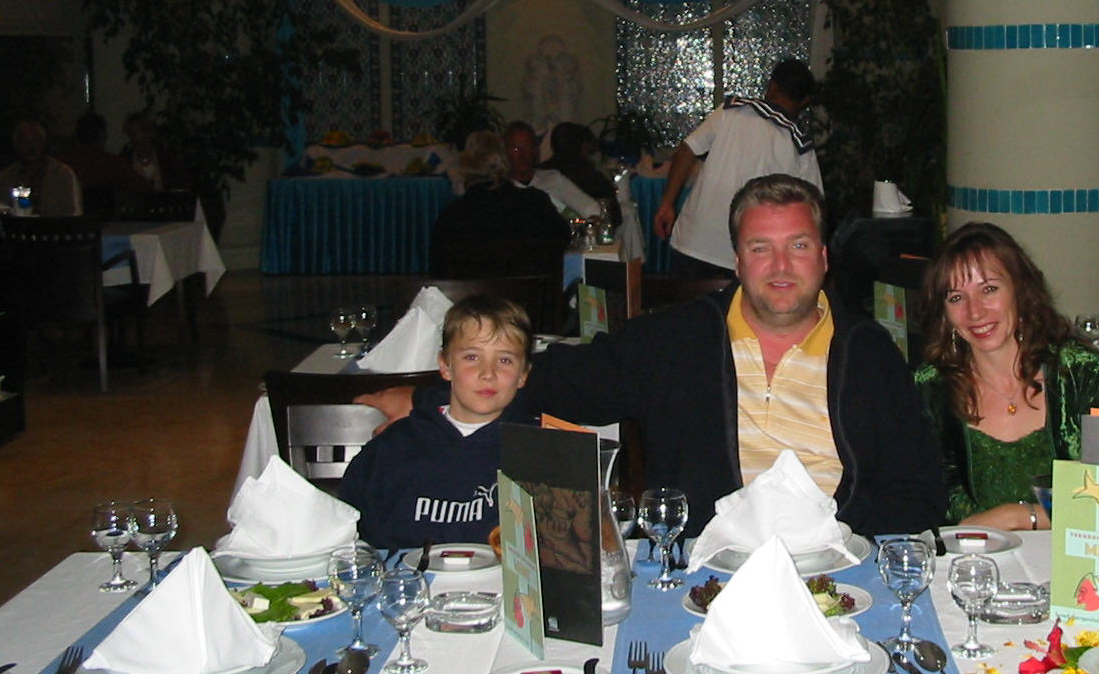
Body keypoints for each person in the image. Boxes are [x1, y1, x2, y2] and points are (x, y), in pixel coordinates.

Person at [364, 174, 945, 537]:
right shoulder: (679, 338)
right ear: (737, 261)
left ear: (822, 257)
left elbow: (919, 489)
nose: (780, 266)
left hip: (837, 561)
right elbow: (561, 379)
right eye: (759, 248)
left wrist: (845, 536)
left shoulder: (868, 353)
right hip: (707, 565)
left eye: (797, 245)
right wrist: (428, 396)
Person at [911, 222, 1099, 531]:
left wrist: (1016, 516)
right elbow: (933, 497)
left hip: (1074, 554)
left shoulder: (1079, 371)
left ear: (1020, 290)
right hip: (974, 556)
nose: (975, 312)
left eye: (989, 289)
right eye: (956, 298)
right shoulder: (929, 387)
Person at [339, 294, 536, 549]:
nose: (488, 373)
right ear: (445, 365)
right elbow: (350, 538)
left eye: (504, 360)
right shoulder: (390, 451)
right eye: (472, 357)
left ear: (523, 375)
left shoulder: (538, 453)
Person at [653, 58, 821, 278]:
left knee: (686, 300)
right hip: (749, 256)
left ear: (771, 86)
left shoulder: (731, 111)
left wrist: (667, 204)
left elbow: (688, 149)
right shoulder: (800, 144)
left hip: (693, 241)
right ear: (805, 100)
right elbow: (813, 208)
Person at [430, 130, 569, 274]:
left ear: (465, 169)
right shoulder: (536, 204)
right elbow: (563, 244)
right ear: (505, 162)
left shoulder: (451, 218)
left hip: (472, 289)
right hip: (534, 288)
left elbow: (439, 271)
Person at [57, 110, 153, 218]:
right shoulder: (113, 164)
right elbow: (146, 190)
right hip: (106, 223)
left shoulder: (61, 165)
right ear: (102, 135)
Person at [0, 120, 82, 217]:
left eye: (36, 140)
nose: (31, 146)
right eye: (24, 141)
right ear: (16, 145)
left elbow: (73, 213)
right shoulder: (4, 179)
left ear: (45, 143)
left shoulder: (62, 175)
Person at [120, 111, 187, 191]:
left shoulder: (166, 155)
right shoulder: (126, 159)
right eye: (131, 133)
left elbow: (181, 181)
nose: (132, 137)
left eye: (135, 132)